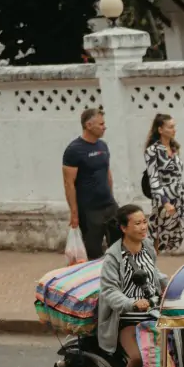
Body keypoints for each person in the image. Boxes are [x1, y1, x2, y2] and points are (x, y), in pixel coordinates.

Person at [98, 204, 168, 367]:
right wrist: (132, 303)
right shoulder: (113, 257)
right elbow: (109, 292)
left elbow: (154, 274)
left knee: (173, 351)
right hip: (126, 319)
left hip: (152, 314)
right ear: (123, 228)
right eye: (137, 223)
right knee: (139, 358)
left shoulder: (147, 247)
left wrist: (170, 285)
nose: (143, 227)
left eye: (144, 222)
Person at [62, 106, 119, 260]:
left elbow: (107, 172)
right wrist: (74, 213)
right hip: (89, 211)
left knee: (119, 248)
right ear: (88, 125)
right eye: (101, 124)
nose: (104, 127)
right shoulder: (74, 150)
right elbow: (69, 183)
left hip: (109, 206)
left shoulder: (103, 146)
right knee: (94, 252)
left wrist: (111, 198)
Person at [143, 113, 184, 253]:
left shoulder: (174, 148)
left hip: (181, 196)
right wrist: (165, 202)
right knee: (162, 235)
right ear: (160, 130)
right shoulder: (152, 151)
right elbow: (153, 179)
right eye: (170, 127)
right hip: (163, 198)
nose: (174, 130)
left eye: (174, 126)